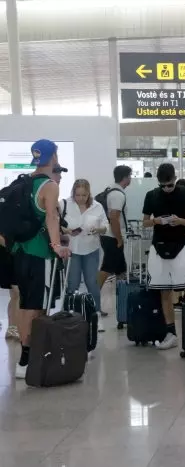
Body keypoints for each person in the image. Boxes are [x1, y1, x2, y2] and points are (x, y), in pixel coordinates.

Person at [11, 140, 71, 379]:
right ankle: (29, 357)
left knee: (26, 305)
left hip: (20, 252)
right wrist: (57, 245)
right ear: (53, 157)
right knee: (39, 307)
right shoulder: (49, 185)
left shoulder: (24, 181)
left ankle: (25, 357)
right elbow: (51, 218)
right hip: (39, 255)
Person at [142, 163, 185, 350]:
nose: (166, 189)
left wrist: (179, 221)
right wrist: (156, 221)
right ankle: (171, 333)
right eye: (162, 186)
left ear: (175, 179)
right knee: (164, 291)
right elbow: (145, 222)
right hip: (159, 246)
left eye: (169, 185)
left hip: (181, 245)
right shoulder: (151, 196)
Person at [62, 179, 109, 318]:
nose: (81, 198)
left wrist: (98, 229)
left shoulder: (97, 206)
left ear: (89, 193)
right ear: (73, 193)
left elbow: (105, 227)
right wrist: (68, 231)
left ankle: (96, 310)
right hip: (72, 249)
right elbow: (56, 223)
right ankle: (70, 311)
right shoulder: (65, 204)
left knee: (92, 281)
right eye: (78, 195)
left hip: (91, 248)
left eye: (84, 195)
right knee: (72, 282)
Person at [98, 165, 132, 307]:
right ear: (125, 178)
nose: (131, 179)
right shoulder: (117, 194)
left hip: (109, 236)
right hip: (112, 237)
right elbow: (114, 218)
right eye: (130, 176)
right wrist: (119, 239)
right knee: (107, 268)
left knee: (120, 269)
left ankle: (123, 302)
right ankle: (92, 298)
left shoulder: (110, 189)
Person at [0, 245, 19, 339]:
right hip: (7, 251)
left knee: (16, 293)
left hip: (13, 253)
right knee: (16, 293)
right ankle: (12, 328)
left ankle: (12, 328)